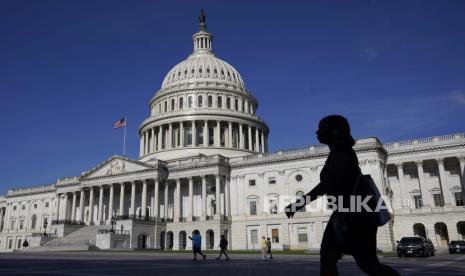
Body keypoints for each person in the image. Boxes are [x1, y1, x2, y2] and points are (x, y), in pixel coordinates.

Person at [285, 115, 400, 276]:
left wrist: (299, 204)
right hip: (348, 211)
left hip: (356, 212)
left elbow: (329, 182)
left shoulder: (341, 152)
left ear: (334, 131)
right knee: (330, 257)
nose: (317, 132)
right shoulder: (339, 152)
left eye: (322, 128)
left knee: (366, 263)